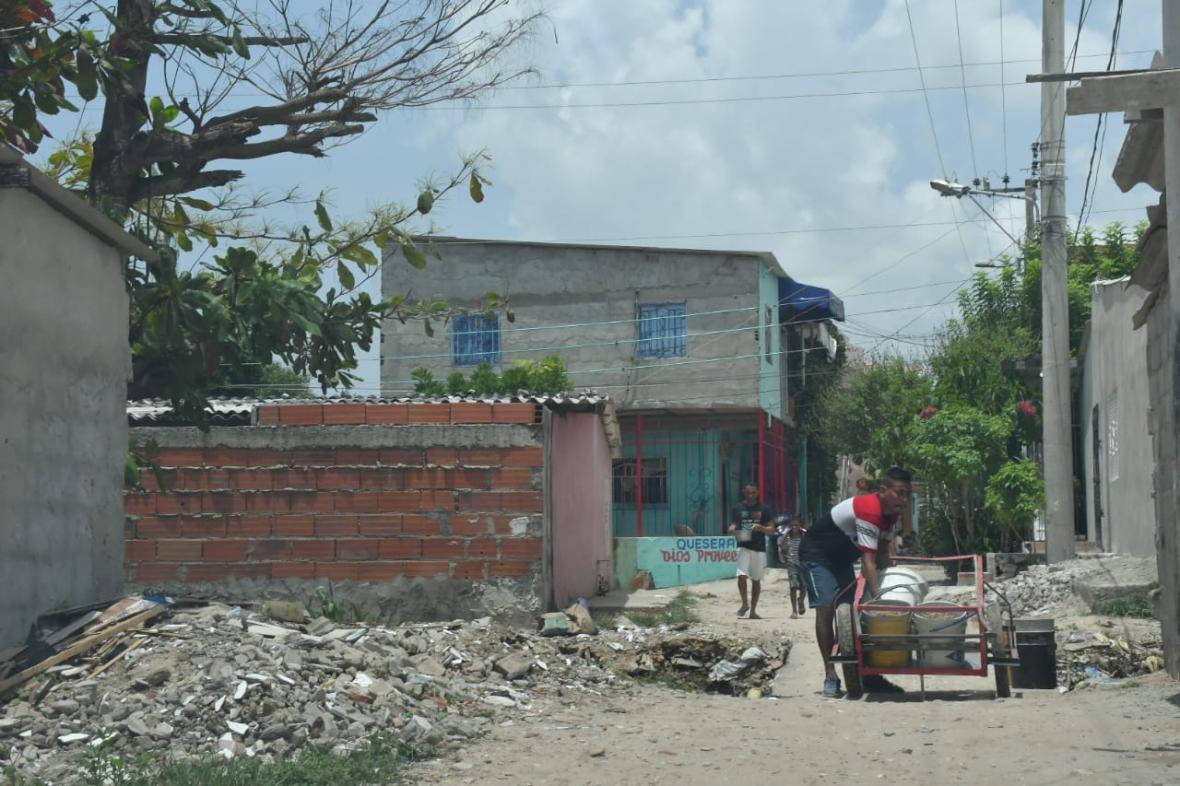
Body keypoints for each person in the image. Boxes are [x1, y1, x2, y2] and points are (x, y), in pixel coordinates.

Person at [798, 466, 913, 697]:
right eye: (899, 493)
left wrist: (887, 588)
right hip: (816, 554)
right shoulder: (869, 510)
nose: (903, 499)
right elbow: (868, 561)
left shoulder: (892, 514)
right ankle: (830, 674)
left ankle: (868, 674)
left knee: (854, 614)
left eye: (907, 494)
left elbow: (882, 556)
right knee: (827, 607)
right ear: (883, 490)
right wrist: (879, 600)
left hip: (842, 560)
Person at [728, 482, 774, 619]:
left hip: (758, 546)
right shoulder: (738, 507)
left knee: (756, 579)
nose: (750, 496)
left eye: (753, 493)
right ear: (744, 492)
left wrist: (761, 527)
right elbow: (735, 524)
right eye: (748, 493)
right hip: (743, 543)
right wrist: (732, 528)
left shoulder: (764, 508)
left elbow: (772, 530)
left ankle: (753, 610)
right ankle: (744, 604)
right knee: (741, 575)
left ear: (757, 493)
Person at [776, 515, 808, 619]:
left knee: (804, 587)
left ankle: (801, 601)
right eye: (792, 525)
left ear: (800, 526)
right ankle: (794, 611)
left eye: (796, 525)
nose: (794, 527)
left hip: (803, 564)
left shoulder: (805, 535)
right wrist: (783, 559)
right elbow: (781, 547)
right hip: (791, 564)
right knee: (793, 587)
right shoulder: (787, 535)